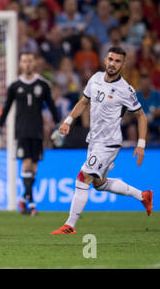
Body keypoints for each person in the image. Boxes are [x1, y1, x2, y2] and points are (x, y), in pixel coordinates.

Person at [50, 47, 153, 235]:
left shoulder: (126, 90)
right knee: (99, 183)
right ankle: (143, 196)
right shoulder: (95, 78)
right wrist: (68, 121)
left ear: (123, 65)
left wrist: (141, 145)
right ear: (105, 59)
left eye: (117, 61)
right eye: (111, 59)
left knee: (83, 177)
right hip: (94, 140)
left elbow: (141, 116)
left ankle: (69, 225)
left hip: (109, 143)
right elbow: (83, 102)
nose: (113, 64)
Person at [0, 52, 60, 215]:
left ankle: (23, 200)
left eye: (30, 61)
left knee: (34, 168)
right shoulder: (15, 86)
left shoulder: (43, 84)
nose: (27, 64)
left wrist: (59, 125)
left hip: (37, 131)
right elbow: (7, 107)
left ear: (34, 63)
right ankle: (31, 204)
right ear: (20, 64)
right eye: (24, 61)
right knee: (27, 164)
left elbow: (51, 105)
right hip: (21, 130)